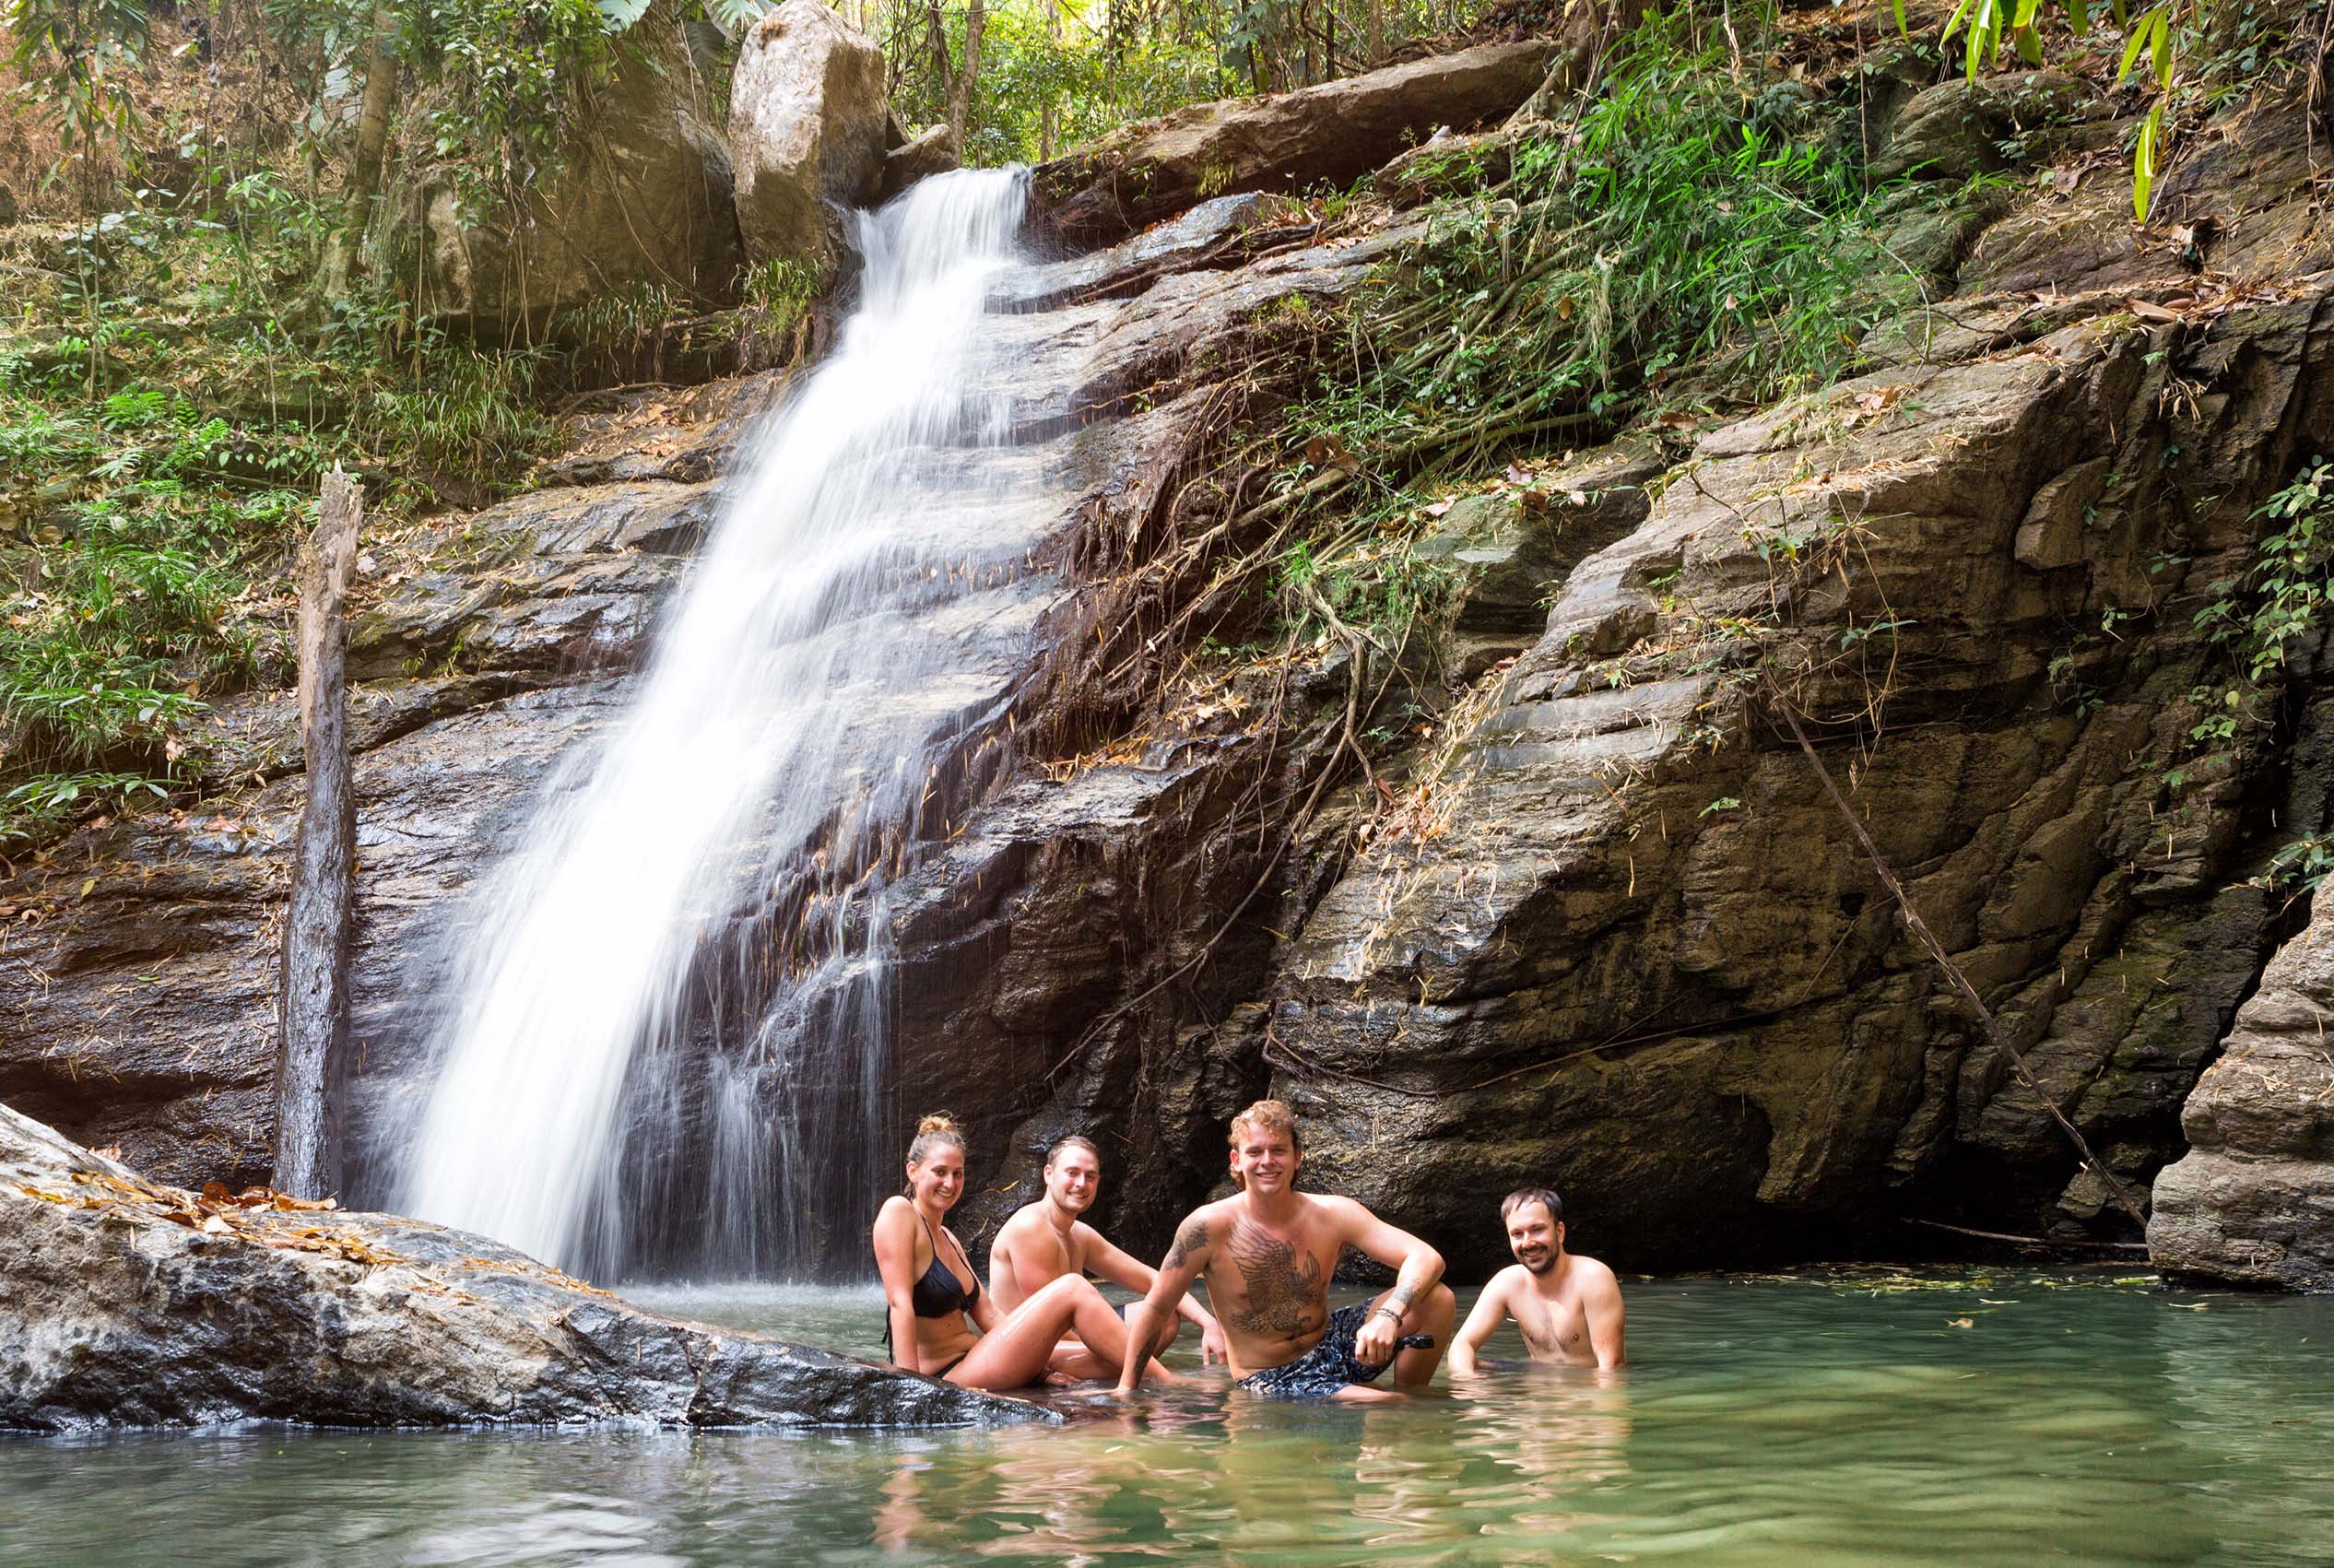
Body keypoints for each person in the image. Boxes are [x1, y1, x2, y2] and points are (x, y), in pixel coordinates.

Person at [1114, 1099, 1456, 1400]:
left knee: (1436, 1298)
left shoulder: (1333, 1214)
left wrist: (1388, 1315)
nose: (1267, 1161)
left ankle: (1413, 1395)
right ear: (1236, 1160)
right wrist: (1127, 1388)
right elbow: (1158, 1306)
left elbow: (1426, 1257)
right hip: (1269, 1375)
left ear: (1297, 1158)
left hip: (1332, 1342)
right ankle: (1399, 1409)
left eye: (1278, 1150)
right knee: (1387, 1409)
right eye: (1255, 1152)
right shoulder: (1206, 1227)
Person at [873, 1113, 1144, 1389]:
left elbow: (989, 1314)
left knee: (1111, 1356)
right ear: (913, 1171)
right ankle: (1166, 1382)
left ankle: (1144, 1380)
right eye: (940, 1172)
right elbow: (899, 1304)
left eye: (958, 1173)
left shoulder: (949, 1239)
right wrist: (909, 1390)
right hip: (946, 1374)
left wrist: (1040, 1372)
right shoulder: (899, 1211)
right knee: (1073, 1288)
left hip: (979, 1357)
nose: (950, 1183)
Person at [989, 1134, 1229, 1370]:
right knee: (1132, 1349)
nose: (1081, 1183)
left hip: (1068, 1337)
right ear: (1048, 1174)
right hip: (1027, 1347)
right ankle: (1127, 1375)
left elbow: (1155, 1279)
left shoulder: (1079, 1234)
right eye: (1072, 1173)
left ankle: (1121, 1371)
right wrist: (1119, 1346)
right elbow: (1049, 1327)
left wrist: (1208, 1323)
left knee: (1163, 1319)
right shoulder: (1031, 1227)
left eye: (1090, 1176)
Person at [1448, 1186, 1625, 1373]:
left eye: (1537, 1229)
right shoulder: (1507, 1283)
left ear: (1560, 1232)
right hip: (1538, 1385)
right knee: (1470, 1365)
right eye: (1517, 1234)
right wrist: (1470, 1386)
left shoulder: (1593, 1277)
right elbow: (1462, 1344)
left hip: (1585, 1390)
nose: (1527, 1243)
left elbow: (1611, 1368)